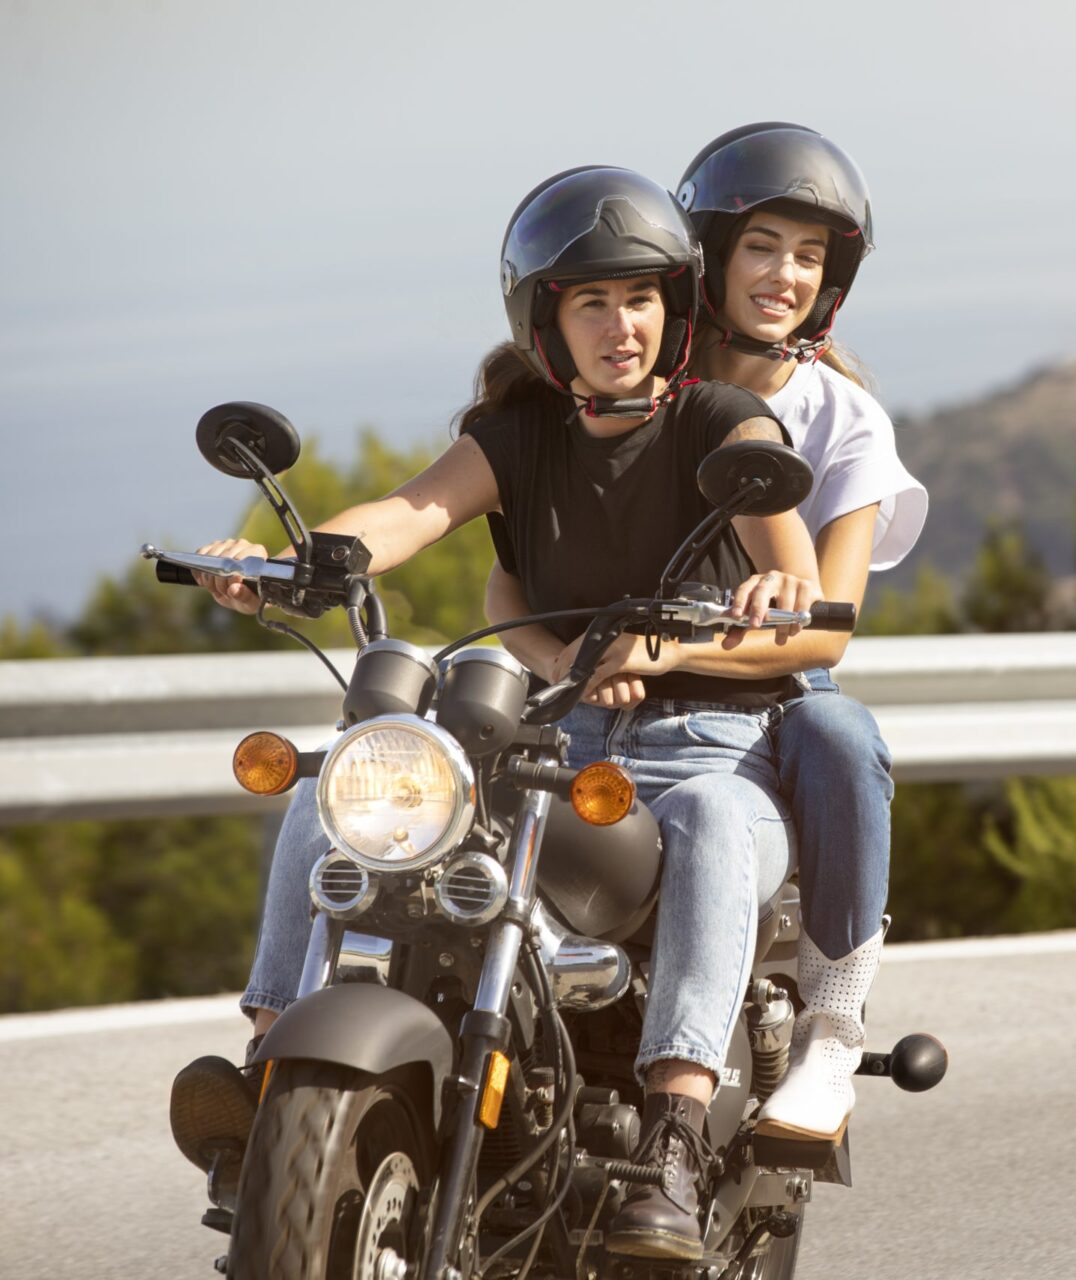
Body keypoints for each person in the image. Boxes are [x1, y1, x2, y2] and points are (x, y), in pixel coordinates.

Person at [171, 166, 826, 1260]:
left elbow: (799, 590)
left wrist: (710, 624)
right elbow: (407, 512)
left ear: (674, 310)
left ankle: (668, 1127)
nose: (620, 326)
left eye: (640, 299)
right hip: (562, 746)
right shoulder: (517, 435)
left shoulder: (722, 418)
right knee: (359, 769)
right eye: (590, 303)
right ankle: (267, 1065)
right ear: (547, 322)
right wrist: (283, 560)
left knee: (712, 816)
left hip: (713, 753)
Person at [485, 123, 924, 1144]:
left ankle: (829, 1025)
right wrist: (558, 654)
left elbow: (830, 623)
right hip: (605, 677)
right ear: (708, 257)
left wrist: (678, 648)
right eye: (763, 245)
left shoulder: (841, 419)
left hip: (751, 679)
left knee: (838, 732)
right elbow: (524, 547)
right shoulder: (629, 371)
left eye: (810, 256)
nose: (783, 276)